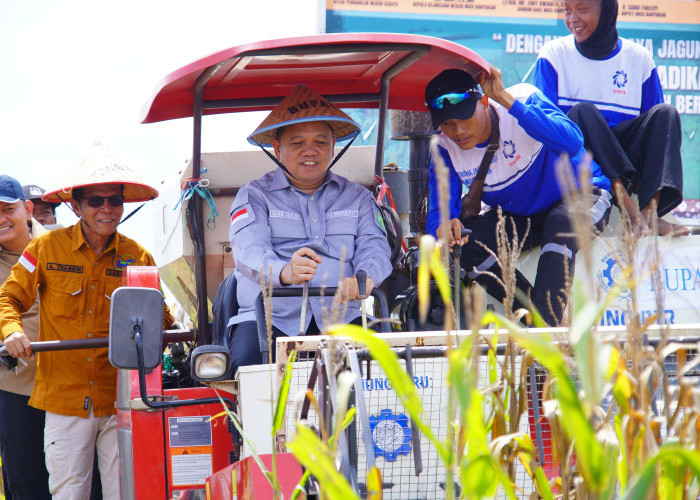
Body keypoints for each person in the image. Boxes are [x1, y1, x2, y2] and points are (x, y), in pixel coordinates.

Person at [0, 145, 174, 500]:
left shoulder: (138, 256)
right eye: (96, 201)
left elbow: (162, 317)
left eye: (114, 200)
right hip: (64, 400)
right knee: (68, 493)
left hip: (120, 399)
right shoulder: (46, 248)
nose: (107, 209)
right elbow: (8, 298)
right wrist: (12, 331)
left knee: (123, 492)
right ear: (76, 207)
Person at [425, 67, 612, 326]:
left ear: (483, 102)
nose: (457, 132)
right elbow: (440, 209)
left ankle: (544, 335)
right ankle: (537, 323)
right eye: (447, 124)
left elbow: (572, 142)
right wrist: (445, 226)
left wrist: (507, 101)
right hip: (523, 217)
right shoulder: (443, 148)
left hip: (583, 195)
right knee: (465, 243)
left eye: (464, 118)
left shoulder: (522, 98)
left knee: (562, 223)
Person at [228, 84, 392, 373]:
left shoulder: (359, 198)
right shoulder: (253, 196)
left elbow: (375, 246)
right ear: (277, 149)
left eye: (320, 141)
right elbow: (249, 251)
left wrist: (366, 277)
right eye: (296, 142)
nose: (310, 151)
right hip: (268, 319)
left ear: (332, 147)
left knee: (383, 372)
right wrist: (284, 272)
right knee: (250, 371)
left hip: (343, 320)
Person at [533, 0, 688, 236]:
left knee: (665, 113)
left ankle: (650, 213)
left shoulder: (639, 58)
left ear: (606, 11)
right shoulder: (554, 55)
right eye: (567, 10)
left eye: (581, 9)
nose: (572, 18)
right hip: (580, 162)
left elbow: (653, 132)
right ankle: (630, 213)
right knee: (582, 113)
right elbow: (545, 127)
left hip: (628, 164)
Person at [0, 175, 51, 499]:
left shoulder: (63, 246)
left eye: (6, 208)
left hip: (73, 388)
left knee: (87, 484)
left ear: (28, 208)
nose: (1, 219)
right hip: (15, 389)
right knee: (26, 482)